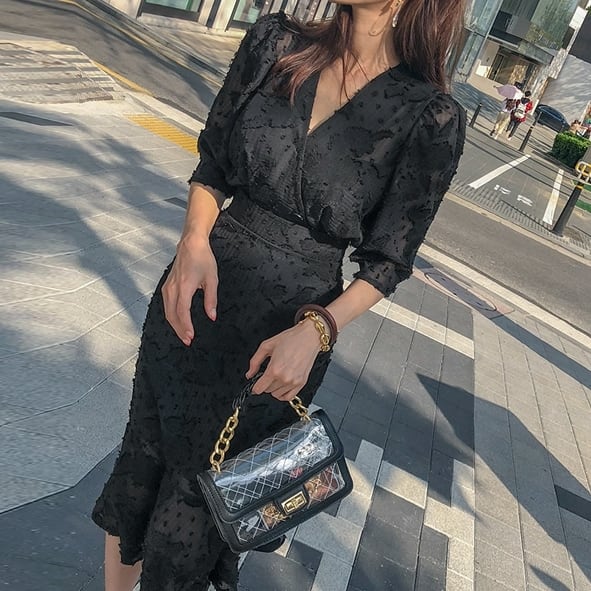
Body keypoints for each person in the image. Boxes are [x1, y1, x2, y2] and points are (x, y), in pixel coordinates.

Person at [91, 0, 466, 589]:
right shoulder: (276, 44)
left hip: (281, 340)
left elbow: (388, 261)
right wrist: (193, 241)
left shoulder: (430, 117)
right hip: (194, 302)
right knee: (141, 462)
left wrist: (317, 332)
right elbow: (214, 162)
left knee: (197, 512)